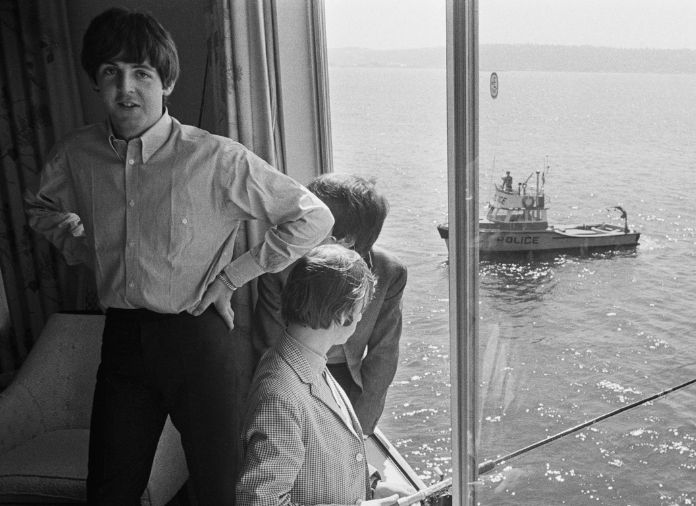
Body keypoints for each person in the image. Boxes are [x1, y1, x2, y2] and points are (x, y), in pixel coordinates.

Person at [25, 8, 333, 505]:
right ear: (96, 83)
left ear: (165, 82)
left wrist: (233, 277)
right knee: (108, 489)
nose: (126, 87)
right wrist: (83, 246)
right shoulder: (76, 155)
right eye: (110, 72)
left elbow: (312, 217)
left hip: (198, 340)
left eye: (141, 73)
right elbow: (40, 207)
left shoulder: (216, 159)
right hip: (123, 342)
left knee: (218, 489)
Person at [237, 244, 412, 505]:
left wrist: (372, 486)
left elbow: (328, 451)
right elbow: (260, 502)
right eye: (360, 311)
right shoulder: (280, 398)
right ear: (343, 317)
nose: (361, 317)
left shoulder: (309, 363)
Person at [254, 173, 407, 435]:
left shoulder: (390, 272)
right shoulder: (280, 266)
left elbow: (384, 355)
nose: (299, 229)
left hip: (348, 378)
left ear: (345, 239)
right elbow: (269, 346)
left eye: (312, 222)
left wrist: (360, 429)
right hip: (292, 375)